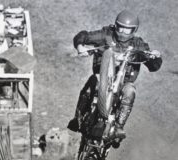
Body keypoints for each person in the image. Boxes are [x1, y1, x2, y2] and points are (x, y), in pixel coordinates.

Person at [67, 10, 162, 139]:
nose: (122, 32)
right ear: (116, 26)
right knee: (93, 80)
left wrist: (155, 57)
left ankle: (118, 127)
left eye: (127, 30)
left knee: (130, 90)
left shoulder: (138, 44)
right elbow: (83, 35)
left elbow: (154, 66)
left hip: (124, 83)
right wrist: (80, 46)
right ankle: (77, 118)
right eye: (120, 28)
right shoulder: (106, 34)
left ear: (134, 30)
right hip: (102, 77)